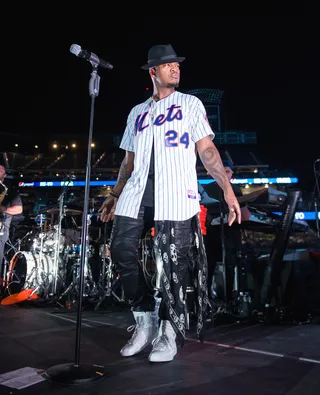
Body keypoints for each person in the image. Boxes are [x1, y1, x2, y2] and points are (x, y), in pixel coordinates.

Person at [99, 44, 241, 363]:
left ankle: (168, 329)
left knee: (174, 265)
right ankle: (145, 317)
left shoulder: (190, 103)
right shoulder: (137, 112)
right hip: (137, 192)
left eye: (177, 64)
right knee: (121, 250)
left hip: (175, 192)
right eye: (168, 65)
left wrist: (227, 189)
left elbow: (207, 151)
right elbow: (128, 160)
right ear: (154, 72)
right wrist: (113, 194)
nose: (175, 68)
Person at [201, 160, 250, 302]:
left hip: (231, 233)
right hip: (212, 234)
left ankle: (229, 299)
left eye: (229, 171)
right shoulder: (207, 189)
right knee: (209, 265)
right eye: (225, 171)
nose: (228, 174)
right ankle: (206, 298)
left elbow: (244, 213)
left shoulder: (236, 190)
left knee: (230, 264)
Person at [0, 165, 23, 285]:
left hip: (1, 229)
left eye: (1, 170)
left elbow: (19, 209)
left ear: (4, 175)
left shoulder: (10, 190)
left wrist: (3, 209)